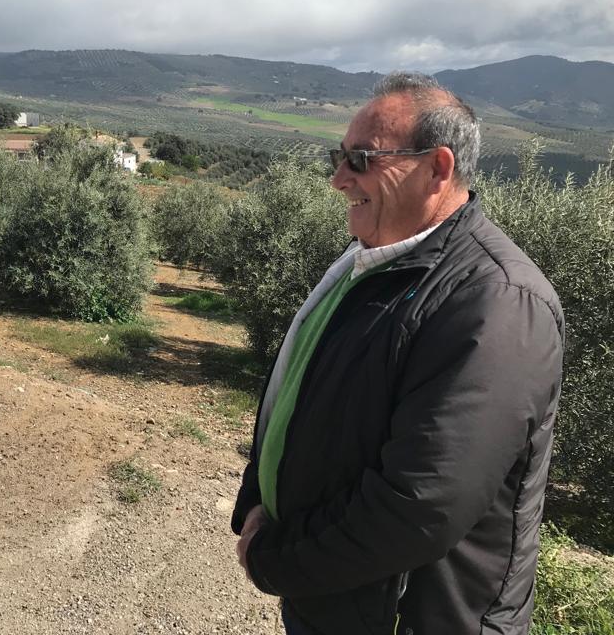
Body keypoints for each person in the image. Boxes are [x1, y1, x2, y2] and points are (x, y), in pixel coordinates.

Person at [232, 72, 564, 635]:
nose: (339, 179)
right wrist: (260, 500)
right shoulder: (373, 261)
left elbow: (419, 506)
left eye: (360, 159)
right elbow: (302, 393)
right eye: (337, 157)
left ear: (437, 168)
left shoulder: (498, 302)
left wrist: (277, 559)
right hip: (339, 598)